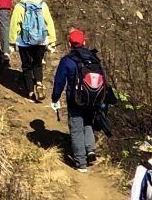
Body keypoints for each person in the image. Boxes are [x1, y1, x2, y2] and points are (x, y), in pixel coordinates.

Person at [50, 29, 117, 172]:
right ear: (84, 42)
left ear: (69, 44)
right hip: (93, 99)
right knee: (88, 123)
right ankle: (91, 149)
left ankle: (81, 162)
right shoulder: (94, 58)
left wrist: (55, 98)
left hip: (75, 101)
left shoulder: (67, 61)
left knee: (76, 129)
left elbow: (59, 82)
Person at [9, 0, 57, 100]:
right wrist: (51, 40)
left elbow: (15, 24)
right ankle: (39, 83)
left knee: (26, 66)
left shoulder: (20, 6)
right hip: (41, 41)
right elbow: (49, 22)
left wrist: (12, 41)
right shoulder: (42, 5)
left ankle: (30, 91)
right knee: (37, 63)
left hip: (24, 42)